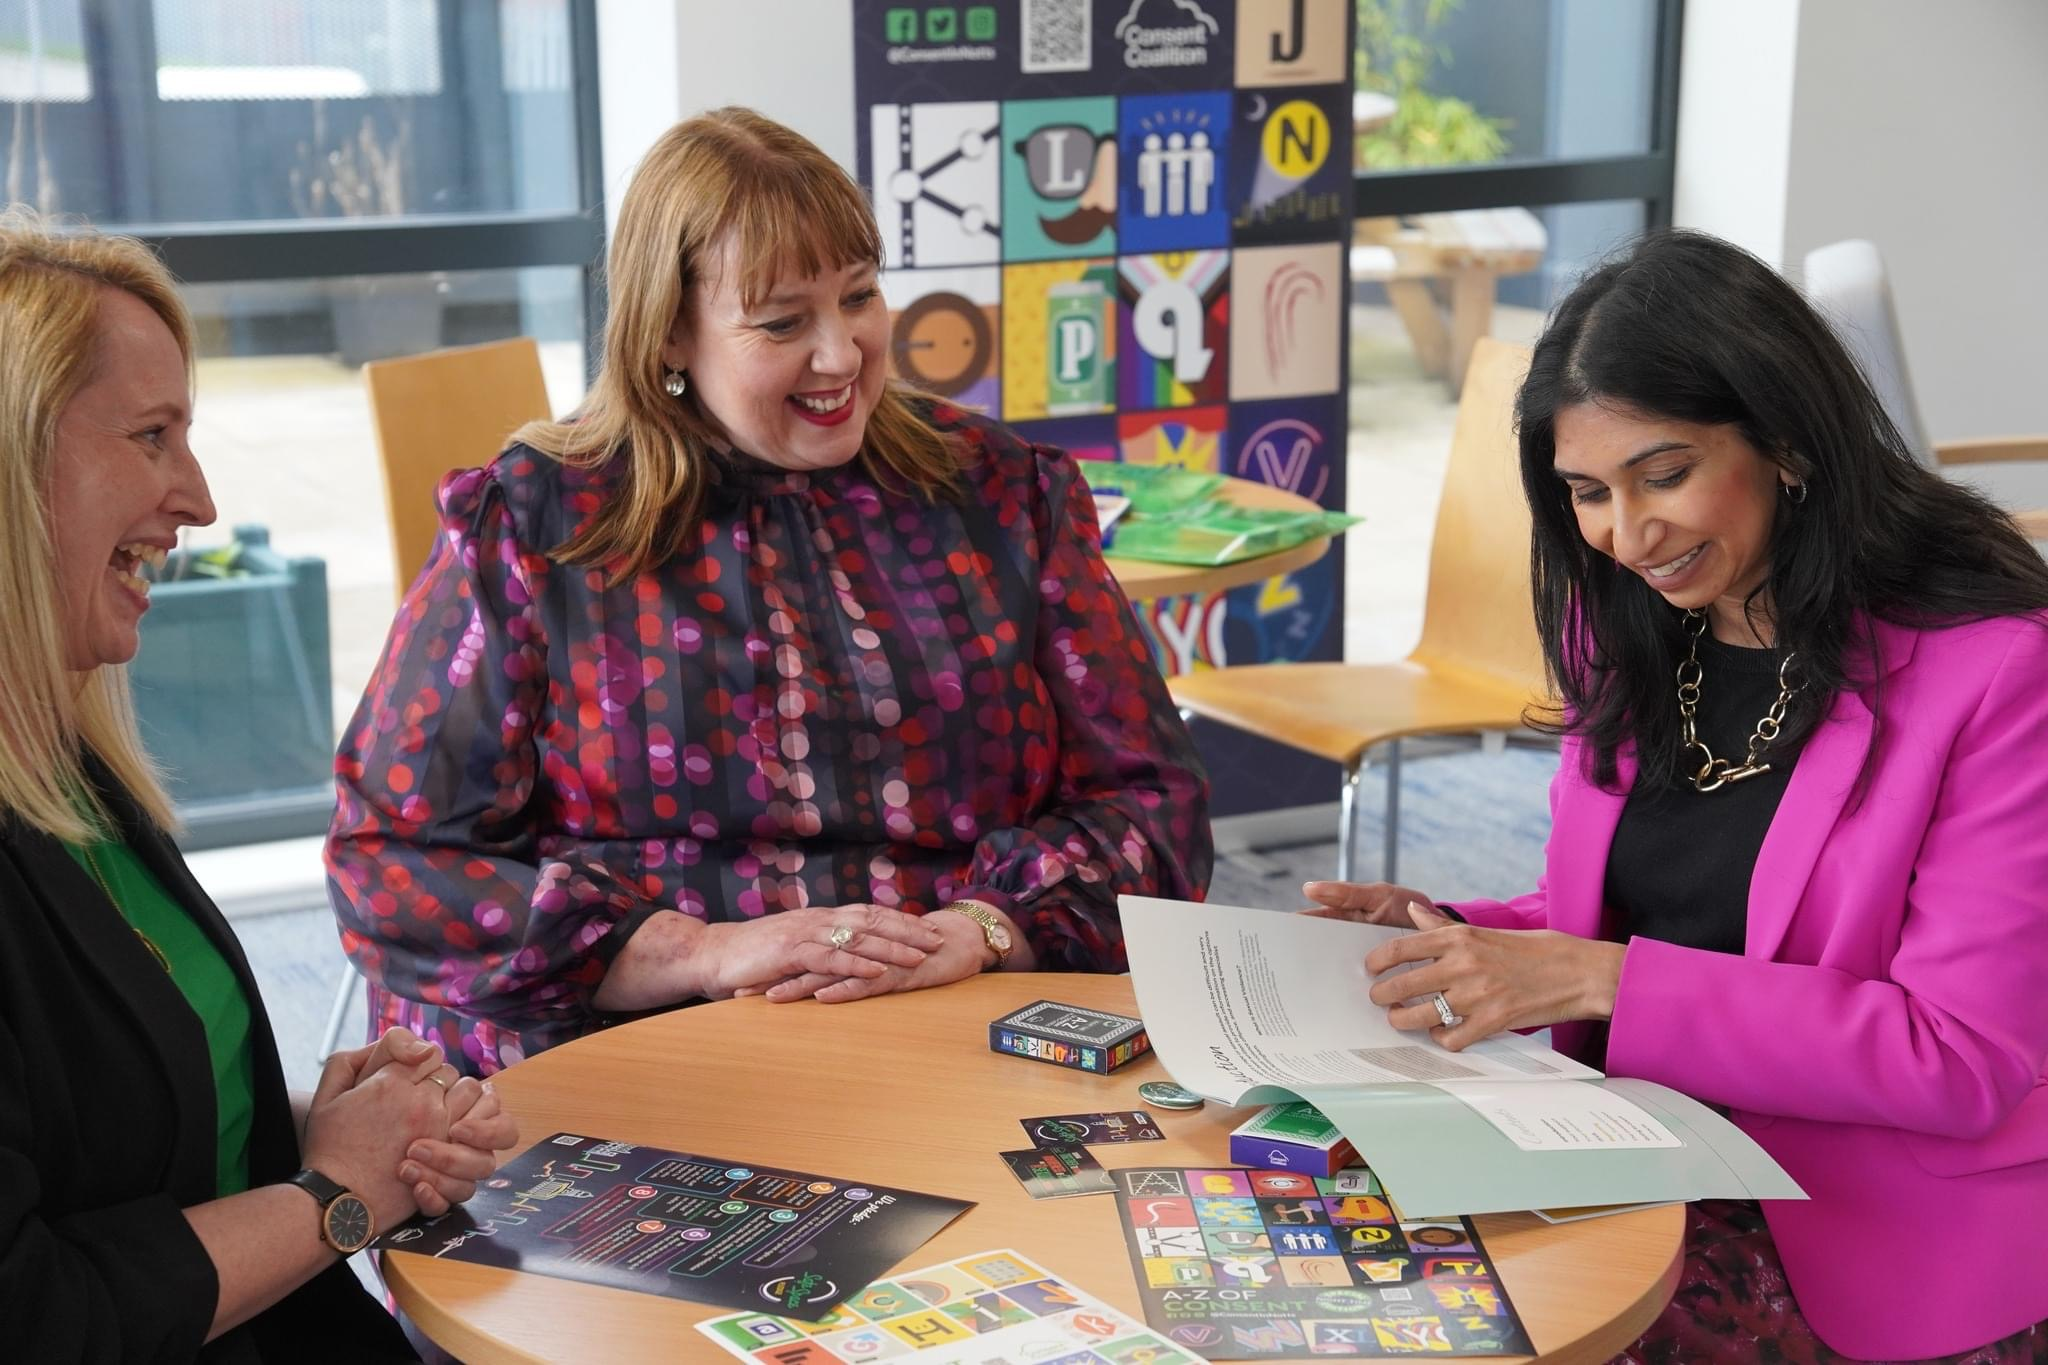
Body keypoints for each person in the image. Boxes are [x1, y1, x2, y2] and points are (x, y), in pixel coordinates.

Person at [327, 107, 1211, 1078]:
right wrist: (688, 952)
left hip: (963, 1023)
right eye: (781, 322)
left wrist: (987, 927)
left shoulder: (1002, 492)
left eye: (860, 297)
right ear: (667, 332)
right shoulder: (540, 521)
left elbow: (1150, 802)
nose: (839, 355)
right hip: (646, 1052)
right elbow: (390, 859)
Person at [1304, 230, 2048, 1362]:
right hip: (1634, 1143)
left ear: (1787, 442)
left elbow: (1955, 1057)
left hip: (1860, 1223)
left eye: (1663, 475)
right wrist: (1451, 939)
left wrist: (1592, 977)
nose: (1625, 534)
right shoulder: (1623, 628)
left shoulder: (1994, 669)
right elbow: (1599, 913)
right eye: (1586, 494)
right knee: (1322, 1263)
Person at [0, 212, 518, 1362]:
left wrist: (360, 1132)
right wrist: (338, 1195)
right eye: (150, 436)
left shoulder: (68, 771)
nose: (197, 499)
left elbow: (130, 1142)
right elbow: (34, 1314)